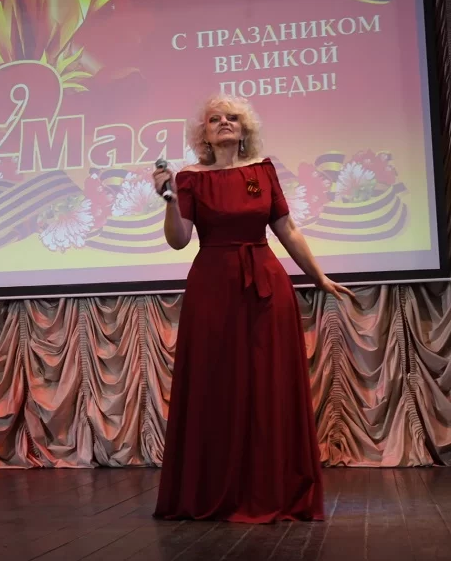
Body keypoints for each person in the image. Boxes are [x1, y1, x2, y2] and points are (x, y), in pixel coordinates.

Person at [151, 94, 354, 524]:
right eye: (214, 119)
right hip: (212, 289)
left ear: (244, 129)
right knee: (216, 385)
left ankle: (270, 488)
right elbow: (179, 239)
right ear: (204, 134)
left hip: (265, 286)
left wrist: (318, 276)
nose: (224, 122)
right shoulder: (189, 179)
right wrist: (168, 200)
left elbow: (288, 229)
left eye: (232, 118)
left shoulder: (263, 171)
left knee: (267, 384)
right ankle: (215, 489)